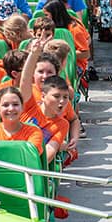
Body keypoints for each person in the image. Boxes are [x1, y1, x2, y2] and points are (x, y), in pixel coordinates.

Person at [19, 36, 71, 164]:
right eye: (56, 97)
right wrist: (34, 54)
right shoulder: (30, 107)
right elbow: (24, 81)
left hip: (32, 166)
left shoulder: (62, 124)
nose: (62, 101)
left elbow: (49, 151)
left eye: (65, 97)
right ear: (43, 96)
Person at [0, 87, 44, 155]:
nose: (11, 109)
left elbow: (30, 156)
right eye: (5, 105)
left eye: (15, 104)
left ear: (22, 107)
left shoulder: (33, 132)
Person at [42, 0, 89, 72]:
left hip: (75, 65)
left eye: (46, 15)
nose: (45, 18)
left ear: (55, 14)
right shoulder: (49, 28)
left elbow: (85, 53)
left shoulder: (75, 29)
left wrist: (62, 54)